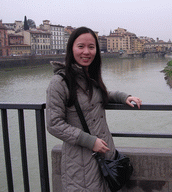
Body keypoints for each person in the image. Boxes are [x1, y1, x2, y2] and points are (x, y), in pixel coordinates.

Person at [46, 27, 142, 191]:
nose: (86, 52)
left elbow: (99, 96)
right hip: (79, 164)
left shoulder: (88, 76)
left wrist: (123, 97)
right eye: (81, 46)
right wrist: (90, 141)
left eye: (91, 47)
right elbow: (53, 124)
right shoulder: (59, 83)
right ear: (71, 49)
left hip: (104, 157)